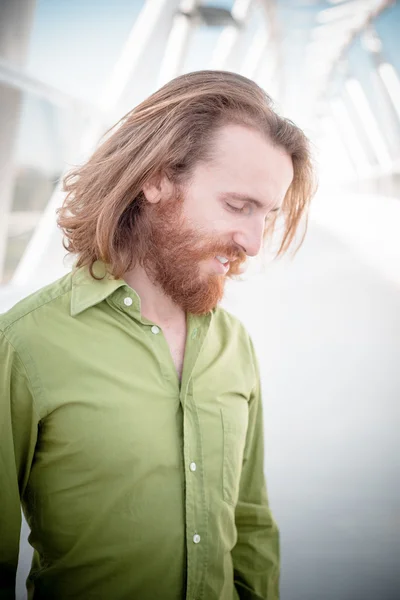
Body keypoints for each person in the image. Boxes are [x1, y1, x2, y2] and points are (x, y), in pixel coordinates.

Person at [0, 70, 315, 600]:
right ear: (156, 179)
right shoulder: (25, 345)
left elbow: (252, 525)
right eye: (238, 206)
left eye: (268, 214)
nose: (254, 243)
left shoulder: (232, 344)